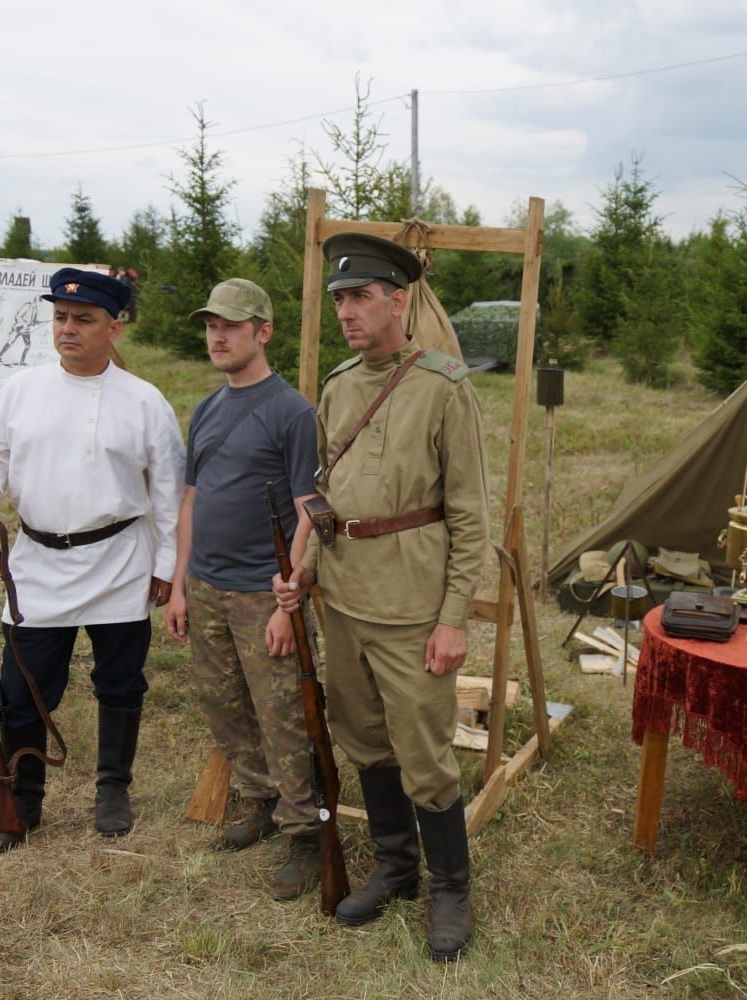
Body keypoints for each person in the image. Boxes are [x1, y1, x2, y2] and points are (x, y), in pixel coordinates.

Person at [274, 232, 490, 961]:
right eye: (339, 299)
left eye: (361, 297)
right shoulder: (337, 387)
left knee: (425, 753)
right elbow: (324, 497)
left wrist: (454, 618)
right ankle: (397, 868)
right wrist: (301, 573)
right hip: (346, 599)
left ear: (399, 301)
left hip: (411, 608)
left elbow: (469, 515)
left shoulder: (444, 386)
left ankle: (451, 890)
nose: (348, 312)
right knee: (366, 740)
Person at [0, 267, 184, 852]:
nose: (68, 328)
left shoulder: (144, 401)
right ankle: (23, 798)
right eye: (60, 317)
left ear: (113, 327)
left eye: (82, 319)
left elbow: (167, 492)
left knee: (120, 682)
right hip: (37, 564)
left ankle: (113, 787)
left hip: (119, 562)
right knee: (22, 688)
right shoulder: (18, 392)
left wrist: (166, 565)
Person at [164, 277, 324, 900]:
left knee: (283, 715)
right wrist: (179, 584)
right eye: (211, 325)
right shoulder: (206, 409)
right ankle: (259, 802)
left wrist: (289, 596)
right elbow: (191, 500)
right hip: (205, 586)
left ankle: (306, 833)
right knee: (224, 706)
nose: (217, 336)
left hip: (263, 594)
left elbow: (308, 506)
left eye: (230, 326)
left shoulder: (292, 411)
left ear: (263, 332)